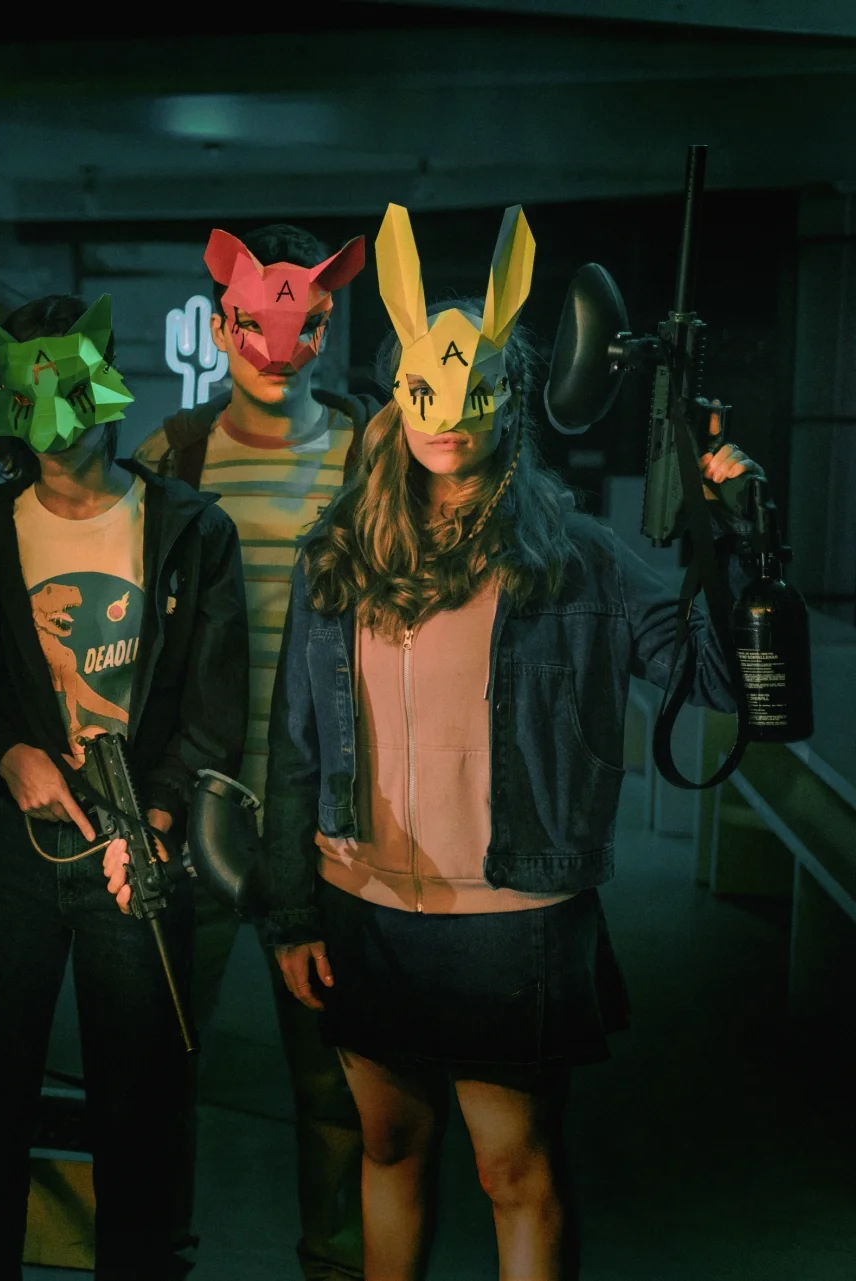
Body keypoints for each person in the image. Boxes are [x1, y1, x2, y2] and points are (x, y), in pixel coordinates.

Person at [261, 204, 756, 1281]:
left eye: (471, 389)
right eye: (424, 391)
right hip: (363, 909)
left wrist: (737, 541)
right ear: (397, 393)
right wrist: (291, 911)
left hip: (511, 919)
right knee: (388, 1142)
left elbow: (719, 678)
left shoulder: (576, 556)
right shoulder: (337, 556)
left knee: (512, 1167)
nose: (445, 417)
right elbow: (295, 741)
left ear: (511, 396)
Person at [0, 294, 249, 1279]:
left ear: (109, 388)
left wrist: (155, 817)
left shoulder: (190, 529)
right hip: (14, 848)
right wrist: (7, 751)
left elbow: (215, 708)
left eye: (72, 393)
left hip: (138, 847)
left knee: (140, 1111)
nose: (54, 424)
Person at [131, 221, 374, 1279]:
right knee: (160, 1063)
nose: (278, 349)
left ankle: (337, 1262)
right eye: (254, 323)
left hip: (330, 814)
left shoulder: (373, 456)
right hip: (195, 802)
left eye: (304, 322)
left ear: (329, 318)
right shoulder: (173, 455)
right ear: (221, 320)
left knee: (337, 1082)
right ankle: (156, 1255)